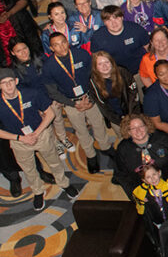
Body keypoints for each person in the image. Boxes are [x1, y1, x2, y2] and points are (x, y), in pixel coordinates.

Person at [0, 68, 74, 209]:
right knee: (29, 170)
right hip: (19, 142)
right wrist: (20, 138)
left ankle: (64, 183)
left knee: (54, 161)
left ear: (16, 81)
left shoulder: (31, 93)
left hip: (41, 135)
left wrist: (36, 133)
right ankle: (38, 191)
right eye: (4, 83)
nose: (8, 86)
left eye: (11, 81)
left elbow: (50, 113)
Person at [41, 33, 115, 174]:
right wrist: (72, 104)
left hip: (89, 97)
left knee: (98, 123)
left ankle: (105, 146)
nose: (61, 47)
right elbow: (53, 92)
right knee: (81, 130)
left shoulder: (81, 54)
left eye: (63, 42)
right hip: (71, 103)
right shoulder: (49, 66)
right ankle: (90, 155)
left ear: (68, 42)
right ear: (51, 48)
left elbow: (95, 76)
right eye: (56, 45)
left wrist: (92, 99)